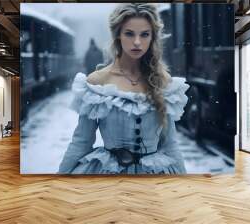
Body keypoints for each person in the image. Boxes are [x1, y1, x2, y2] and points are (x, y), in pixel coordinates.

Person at [59, 3, 189, 174]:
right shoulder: (98, 82)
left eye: (144, 35)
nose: (137, 42)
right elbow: (81, 142)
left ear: (152, 38)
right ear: (118, 35)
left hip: (154, 176)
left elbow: (170, 144)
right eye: (129, 34)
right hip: (109, 174)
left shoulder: (163, 81)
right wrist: (58, 180)